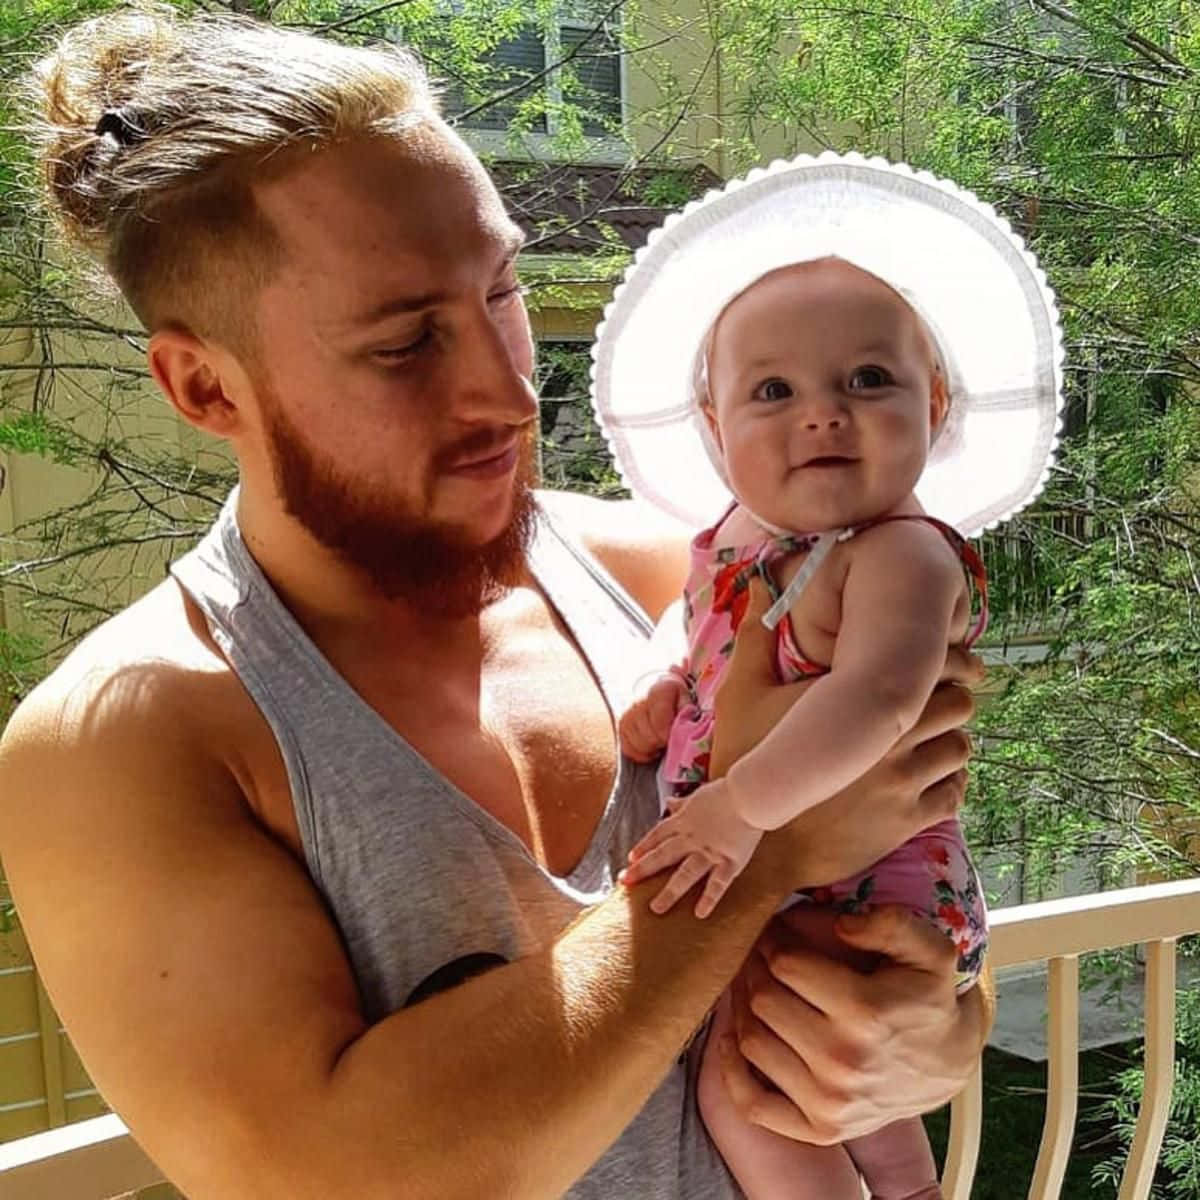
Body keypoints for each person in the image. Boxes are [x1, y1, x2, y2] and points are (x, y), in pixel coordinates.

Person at [0, 12, 991, 1198]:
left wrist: (933, 1037)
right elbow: (333, 1181)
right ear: (204, 384)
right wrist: (766, 844)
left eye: (503, 291)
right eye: (408, 342)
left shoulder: (687, 574)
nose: (511, 389)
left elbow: (914, 910)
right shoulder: (122, 747)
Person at [593, 156, 1064, 1198]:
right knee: (826, 1090)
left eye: (868, 380)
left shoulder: (901, 551)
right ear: (715, 430)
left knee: (749, 1093)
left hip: (865, 884)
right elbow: (698, 622)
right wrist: (663, 671)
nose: (824, 413)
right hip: (800, 879)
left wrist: (736, 808)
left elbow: (882, 699)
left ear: (933, 404)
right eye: (774, 391)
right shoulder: (732, 543)